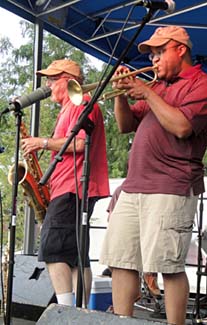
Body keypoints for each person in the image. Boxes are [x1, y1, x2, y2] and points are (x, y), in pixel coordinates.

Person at [100, 26, 207, 325]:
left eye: (159, 52)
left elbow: (181, 127)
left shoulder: (202, 85)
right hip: (134, 186)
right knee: (121, 261)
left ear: (180, 49)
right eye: (151, 54)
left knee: (168, 265)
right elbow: (126, 125)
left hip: (171, 187)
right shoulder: (160, 86)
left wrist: (147, 91)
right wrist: (122, 94)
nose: (153, 59)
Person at [21, 59, 110, 306]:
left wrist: (42, 143)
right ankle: (76, 313)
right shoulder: (69, 107)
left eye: (52, 80)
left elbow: (79, 144)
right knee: (74, 255)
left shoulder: (81, 102)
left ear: (67, 81)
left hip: (73, 187)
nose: (47, 85)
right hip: (68, 187)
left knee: (53, 250)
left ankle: (65, 311)